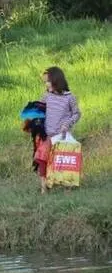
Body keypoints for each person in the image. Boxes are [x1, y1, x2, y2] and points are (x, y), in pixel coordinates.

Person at [37, 66, 81, 194]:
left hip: (62, 136)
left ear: (56, 80)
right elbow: (40, 112)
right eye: (44, 81)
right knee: (42, 160)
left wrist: (68, 123)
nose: (46, 84)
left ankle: (67, 187)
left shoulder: (69, 97)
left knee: (63, 161)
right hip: (48, 135)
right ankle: (43, 188)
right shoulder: (46, 96)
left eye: (47, 81)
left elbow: (77, 114)